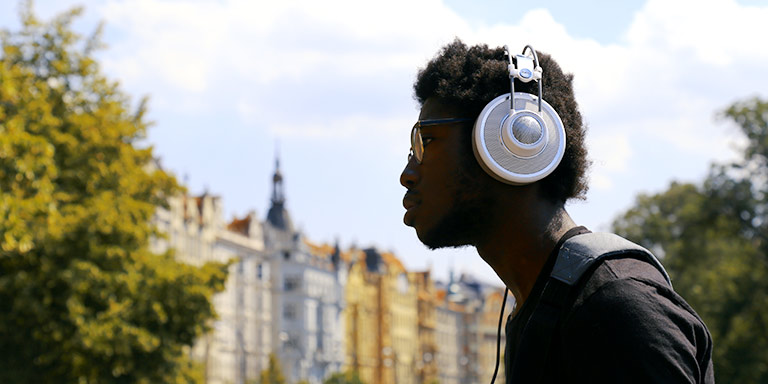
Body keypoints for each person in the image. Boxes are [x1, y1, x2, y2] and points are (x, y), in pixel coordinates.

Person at [400, 39, 715, 383]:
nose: (408, 173)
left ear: (514, 142)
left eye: (426, 141)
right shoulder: (547, 308)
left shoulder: (615, 309)